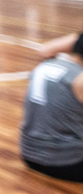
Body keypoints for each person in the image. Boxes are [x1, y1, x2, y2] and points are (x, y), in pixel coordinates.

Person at [21, 33, 83, 182]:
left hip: (29, 156)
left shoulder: (45, 65)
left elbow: (47, 49)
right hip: (67, 164)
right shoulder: (79, 79)